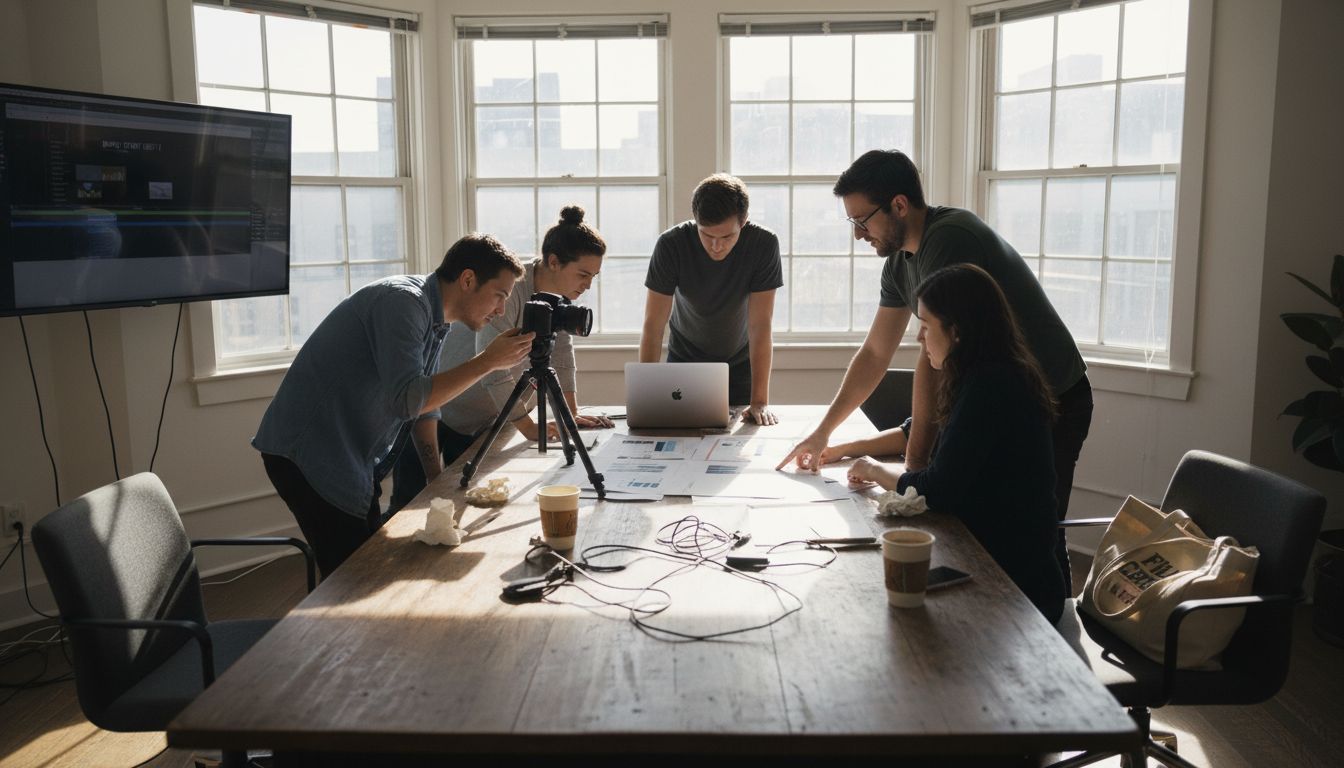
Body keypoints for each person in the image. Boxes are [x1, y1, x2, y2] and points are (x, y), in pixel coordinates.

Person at [778, 149, 1092, 590]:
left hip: (1052, 394)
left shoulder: (950, 239)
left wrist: (914, 471)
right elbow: (875, 353)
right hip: (988, 394)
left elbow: (932, 362)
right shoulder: (898, 263)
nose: (858, 234)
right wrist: (824, 433)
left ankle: (1052, 626)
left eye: (862, 221)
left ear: (900, 205)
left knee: (1029, 528)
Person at [253, 234, 532, 576]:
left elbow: (425, 407)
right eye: (500, 296)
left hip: (348, 455)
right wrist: (487, 362)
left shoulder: (434, 318)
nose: (502, 310)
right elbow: (408, 400)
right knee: (352, 577)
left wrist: (435, 480)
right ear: (468, 279)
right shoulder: (402, 303)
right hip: (310, 453)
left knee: (364, 566)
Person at [847, 264, 1065, 622]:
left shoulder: (989, 388)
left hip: (1016, 588)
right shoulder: (991, 375)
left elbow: (939, 490)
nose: (919, 338)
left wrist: (873, 470)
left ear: (957, 331)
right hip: (998, 560)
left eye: (927, 325)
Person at [389, 206, 613, 512]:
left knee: (461, 506)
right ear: (554, 262)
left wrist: (569, 415)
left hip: (486, 419)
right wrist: (529, 428)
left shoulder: (559, 301)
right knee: (408, 509)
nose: (588, 285)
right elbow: (494, 367)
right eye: (583, 274)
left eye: (594, 277)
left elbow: (561, 353)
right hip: (441, 406)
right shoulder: (508, 291)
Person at [640, 174, 783, 425]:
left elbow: (761, 325)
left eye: (727, 237)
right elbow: (653, 325)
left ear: (744, 221)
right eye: (707, 236)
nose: (717, 246)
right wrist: (645, 398)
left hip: (740, 367)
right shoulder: (671, 245)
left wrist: (760, 401)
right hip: (684, 364)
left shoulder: (764, 244)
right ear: (696, 221)